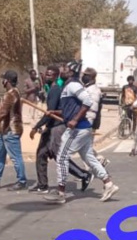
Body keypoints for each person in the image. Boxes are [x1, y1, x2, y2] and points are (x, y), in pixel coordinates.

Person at [44, 62, 119, 204]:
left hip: (77, 128)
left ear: (71, 72)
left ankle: (61, 192)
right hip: (83, 128)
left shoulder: (74, 85)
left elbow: (88, 101)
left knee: (61, 157)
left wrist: (75, 120)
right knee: (89, 158)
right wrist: (54, 111)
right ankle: (109, 184)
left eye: (65, 68)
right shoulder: (69, 86)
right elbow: (70, 109)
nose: (62, 70)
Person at [29, 65, 93, 193]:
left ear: (56, 76)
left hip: (57, 128)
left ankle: (83, 175)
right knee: (42, 154)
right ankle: (42, 184)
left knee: (59, 157)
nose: (46, 76)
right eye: (46, 74)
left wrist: (36, 127)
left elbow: (50, 112)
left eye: (50, 74)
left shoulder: (55, 90)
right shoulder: (52, 88)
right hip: (52, 126)